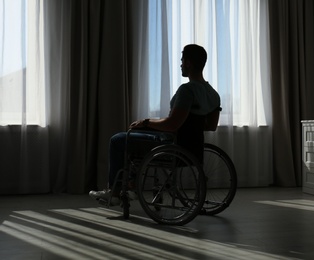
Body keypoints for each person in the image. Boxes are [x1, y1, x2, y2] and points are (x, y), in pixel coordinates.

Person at [89, 44, 221, 205]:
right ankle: (131, 184)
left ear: (188, 63)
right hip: (192, 148)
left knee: (118, 140)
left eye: (182, 60)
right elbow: (210, 126)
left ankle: (115, 191)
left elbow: (172, 125)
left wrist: (146, 121)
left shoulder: (187, 91)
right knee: (140, 133)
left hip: (172, 145)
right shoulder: (213, 95)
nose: (180, 64)